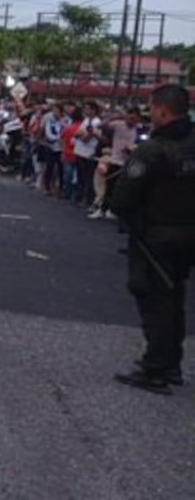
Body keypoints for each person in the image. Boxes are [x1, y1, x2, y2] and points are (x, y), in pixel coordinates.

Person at [109, 84, 195, 395]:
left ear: (162, 110)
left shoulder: (152, 150)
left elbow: (122, 198)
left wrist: (132, 224)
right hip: (188, 234)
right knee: (174, 296)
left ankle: (155, 367)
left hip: (155, 236)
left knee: (155, 297)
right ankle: (171, 363)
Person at [91, 106, 141, 219]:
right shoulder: (119, 125)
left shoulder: (139, 129)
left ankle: (114, 210)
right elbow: (100, 126)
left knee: (123, 189)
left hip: (129, 163)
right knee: (109, 187)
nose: (131, 121)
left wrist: (133, 149)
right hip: (115, 160)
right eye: (129, 118)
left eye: (134, 119)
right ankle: (102, 209)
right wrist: (115, 117)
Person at [73, 101, 102, 207]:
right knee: (80, 176)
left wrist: (83, 134)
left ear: (93, 110)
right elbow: (77, 133)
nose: (86, 110)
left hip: (89, 153)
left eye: (88, 108)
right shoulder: (85, 120)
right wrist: (82, 134)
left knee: (88, 177)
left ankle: (87, 199)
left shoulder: (97, 122)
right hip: (80, 151)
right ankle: (79, 196)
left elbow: (86, 138)